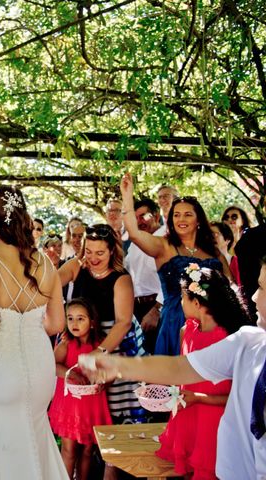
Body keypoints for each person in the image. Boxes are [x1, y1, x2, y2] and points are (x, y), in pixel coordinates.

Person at [79, 257, 266, 480]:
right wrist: (116, 365)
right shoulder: (247, 341)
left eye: (262, 288)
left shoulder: (235, 338)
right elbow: (178, 367)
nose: (254, 296)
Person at [0, 185, 68, 479]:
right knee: (36, 441)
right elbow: (56, 324)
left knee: (3, 447)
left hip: (0, 369)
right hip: (40, 368)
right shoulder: (44, 262)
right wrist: (30, 324)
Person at [120, 173, 230, 356]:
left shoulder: (214, 252)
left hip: (213, 321)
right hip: (176, 321)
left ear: (198, 220)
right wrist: (127, 197)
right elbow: (134, 233)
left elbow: (231, 287)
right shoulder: (164, 246)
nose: (181, 219)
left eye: (188, 215)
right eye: (177, 215)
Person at [154, 265, 247, 479]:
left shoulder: (229, 340)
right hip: (188, 421)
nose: (180, 302)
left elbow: (238, 395)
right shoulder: (186, 332)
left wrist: (198, 397)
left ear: (196, 303)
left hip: (214, 427)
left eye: (182, 297)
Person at [57, 224, 146, 428]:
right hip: (83, 337)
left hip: (115, 342)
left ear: (112, 250)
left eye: (100, 253)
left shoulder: (121, 278)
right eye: (88, 251)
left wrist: (99, 352)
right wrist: (64, 322)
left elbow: (123, 322)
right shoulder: (75, 266)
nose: (93, 258)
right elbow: (50, 287)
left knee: (115, 406)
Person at [48, 298, 111, 480]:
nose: (74, 323)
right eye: (70, 318)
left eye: (80, 318)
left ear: (92, 322)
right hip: (70, 406)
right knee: (69, 449)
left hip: (92, 405)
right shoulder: (67, 343)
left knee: (87, 449)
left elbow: (111, 370)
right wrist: (71, 374)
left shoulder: (101, 345)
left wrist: (103, 382)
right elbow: (52, 364)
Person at [124, 199, 164, 354]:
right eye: (136, 218)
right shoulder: (136, 243)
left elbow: (173, 279)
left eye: (143, 216)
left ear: (156, 215)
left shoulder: (167, 239)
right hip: (136, 309)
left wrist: (156, 311)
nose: (139, 222)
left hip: (159, 308)